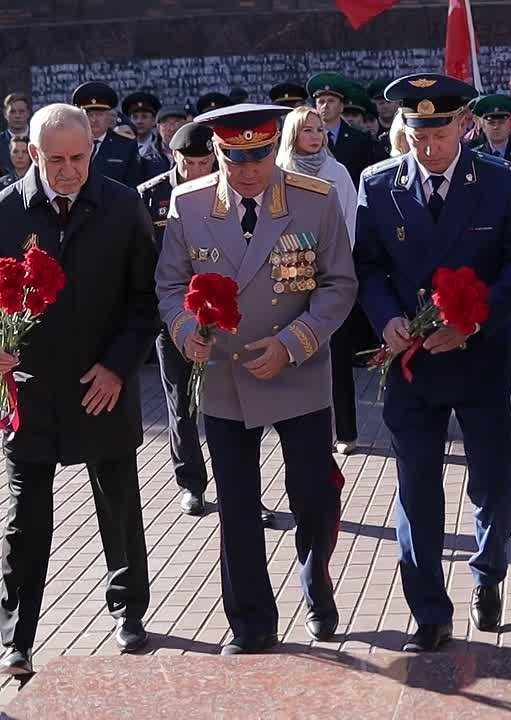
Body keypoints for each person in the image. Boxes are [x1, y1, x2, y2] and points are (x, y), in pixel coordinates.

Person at [156, 104, 356, 655]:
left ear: (276, 148)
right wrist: (184, 331)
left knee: (313, 494)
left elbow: (339, 284)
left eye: (259, 156)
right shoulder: (189, 204)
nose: (248, 170)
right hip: (226, 374)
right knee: (237, 505)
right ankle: (250, 623)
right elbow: (171, 285)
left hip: (297, 370)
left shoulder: (315, 200)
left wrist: (294, 343)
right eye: (234, 158)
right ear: (217, 153)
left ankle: (316, 580)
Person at [354, 73, 511, 652]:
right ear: (403, 130)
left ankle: (488, 570)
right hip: (411, 361)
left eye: (438, 134)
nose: (427, 147)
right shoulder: (379, 185)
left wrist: (473, 322)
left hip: (480, 357)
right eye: (415, 133)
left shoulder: (503, 183)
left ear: (463, 126)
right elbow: (369, 267)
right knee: (417, 489)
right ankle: (428, 610)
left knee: (489, 481)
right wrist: (384, 317)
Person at [0, 102, 159, 674]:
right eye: (56, 160)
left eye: (79, 157)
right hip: (31, 390)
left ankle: (130, 613)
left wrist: (119, 365)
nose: (69, 171)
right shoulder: (4, 212)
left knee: (118, 505)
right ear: (32, 154)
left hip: (102, 385)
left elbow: (147, 302)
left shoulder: (122, 205)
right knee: (25, 517)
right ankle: (17, 637)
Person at [138, 123, 218, 517]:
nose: (199, 170)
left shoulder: (227, 189)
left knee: (229, 401)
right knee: (180, 401)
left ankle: (240, 484)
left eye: (206, 162)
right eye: (190, 163)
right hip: (172, 313)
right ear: (175, 157)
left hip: (221, 312)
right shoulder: (150, 196)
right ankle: (191, 482)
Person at [277, 105, 361, 455]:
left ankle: (346, 431)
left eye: (319, 129)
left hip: (329, 274)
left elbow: (351, 218)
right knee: (297, 352)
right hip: (289, 274)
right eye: (307, 130)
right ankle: (305, 429)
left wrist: (337, 265)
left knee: (336, 355)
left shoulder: (336, 172)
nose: (315, 136)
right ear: (293, 135)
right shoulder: (279, 171)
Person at [307, 72, 386, 186]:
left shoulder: (360, 140)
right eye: (321, 101)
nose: (325, 106)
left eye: (331, 101)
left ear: (341, 106)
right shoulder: (307, 138)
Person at [70, 81, 143, 187]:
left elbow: (133, 184)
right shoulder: (70, 143)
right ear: (81, 117)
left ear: (110, 117)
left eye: (99, 114)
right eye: (89, 114)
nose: (94, 120)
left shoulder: (125, 145)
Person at [469, 95, 511, 164]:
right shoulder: (475, 156)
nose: (496, 127)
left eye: (501, 122)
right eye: (491, 123)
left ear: (509, 125)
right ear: (484, 127)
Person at [0, 93, 31, 175]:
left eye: (21, 111)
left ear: (28, 113)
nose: (17, 116)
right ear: (5, 114)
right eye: (13, 112)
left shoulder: (38, 140)